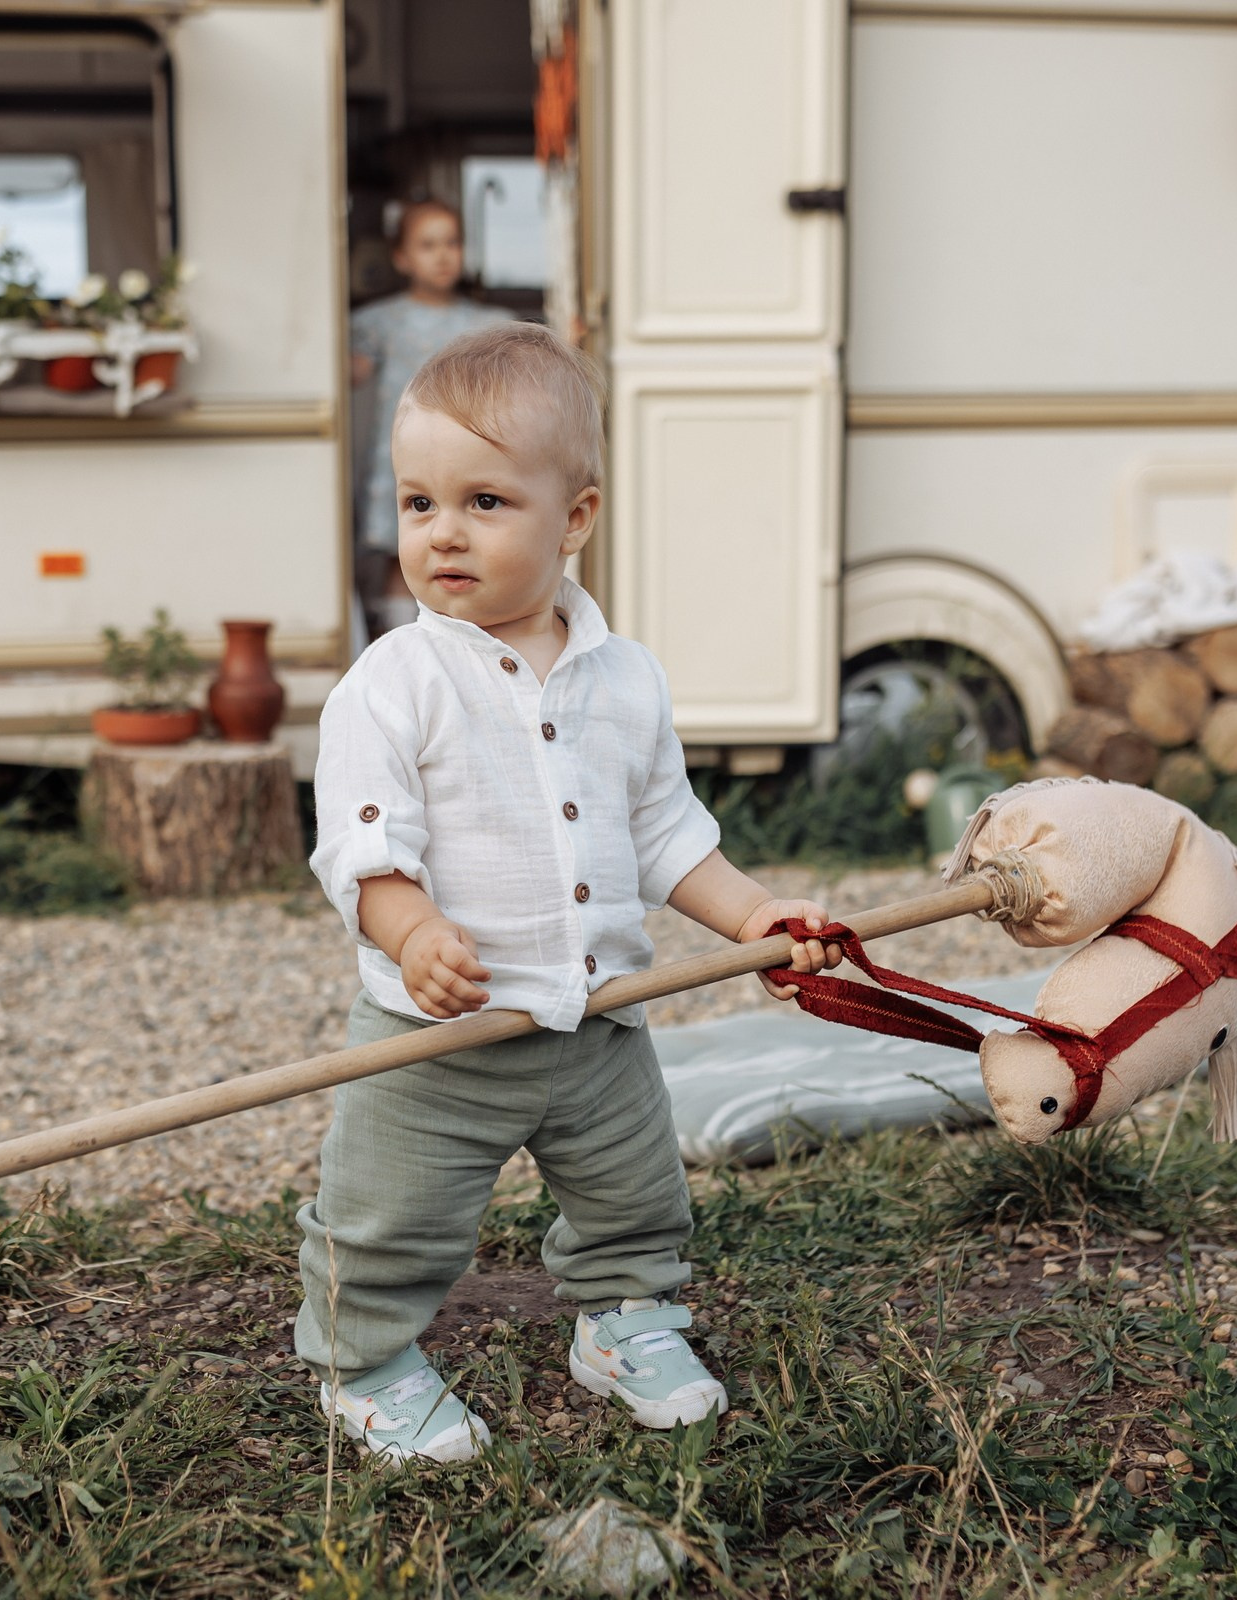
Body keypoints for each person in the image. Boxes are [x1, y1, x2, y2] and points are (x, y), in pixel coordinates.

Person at [299, 323, 845, 1462]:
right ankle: (364, 1364)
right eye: (417, 504)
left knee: (635, 1195)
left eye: (485, 502)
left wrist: (753, 919)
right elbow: (361, 844)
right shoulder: (391, 682)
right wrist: (411, 932)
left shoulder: (625, 676)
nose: (442, 532)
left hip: (597, 1021)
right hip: (437, 1032)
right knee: (387, 1215)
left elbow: (662, 831)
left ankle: (624, 1317)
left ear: (576, 517)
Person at [349, 200, 512, 632]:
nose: (442, 255)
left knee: (467, 547)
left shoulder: (488, 324)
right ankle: (401, 647)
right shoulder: (379, 321)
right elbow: (347, 372)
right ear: (402, 257)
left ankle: (463, 644)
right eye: (427, 245)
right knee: (402, 556)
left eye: (452, 243)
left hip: (471, 453)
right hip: (406, 455)